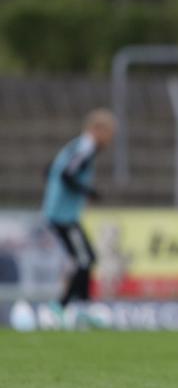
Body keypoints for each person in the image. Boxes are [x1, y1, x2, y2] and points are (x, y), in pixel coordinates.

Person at [42, 108, 117, 307]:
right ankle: (61, 307)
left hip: (60, 213)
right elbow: (67, 174)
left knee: (86, 259)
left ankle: (83, 305)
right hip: (62, 216)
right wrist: (88, 192)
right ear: (98, 129)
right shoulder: (86, 147)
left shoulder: (75, 146)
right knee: (84, 260)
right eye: (109, 133)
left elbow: (50, 169)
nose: (110, 139)